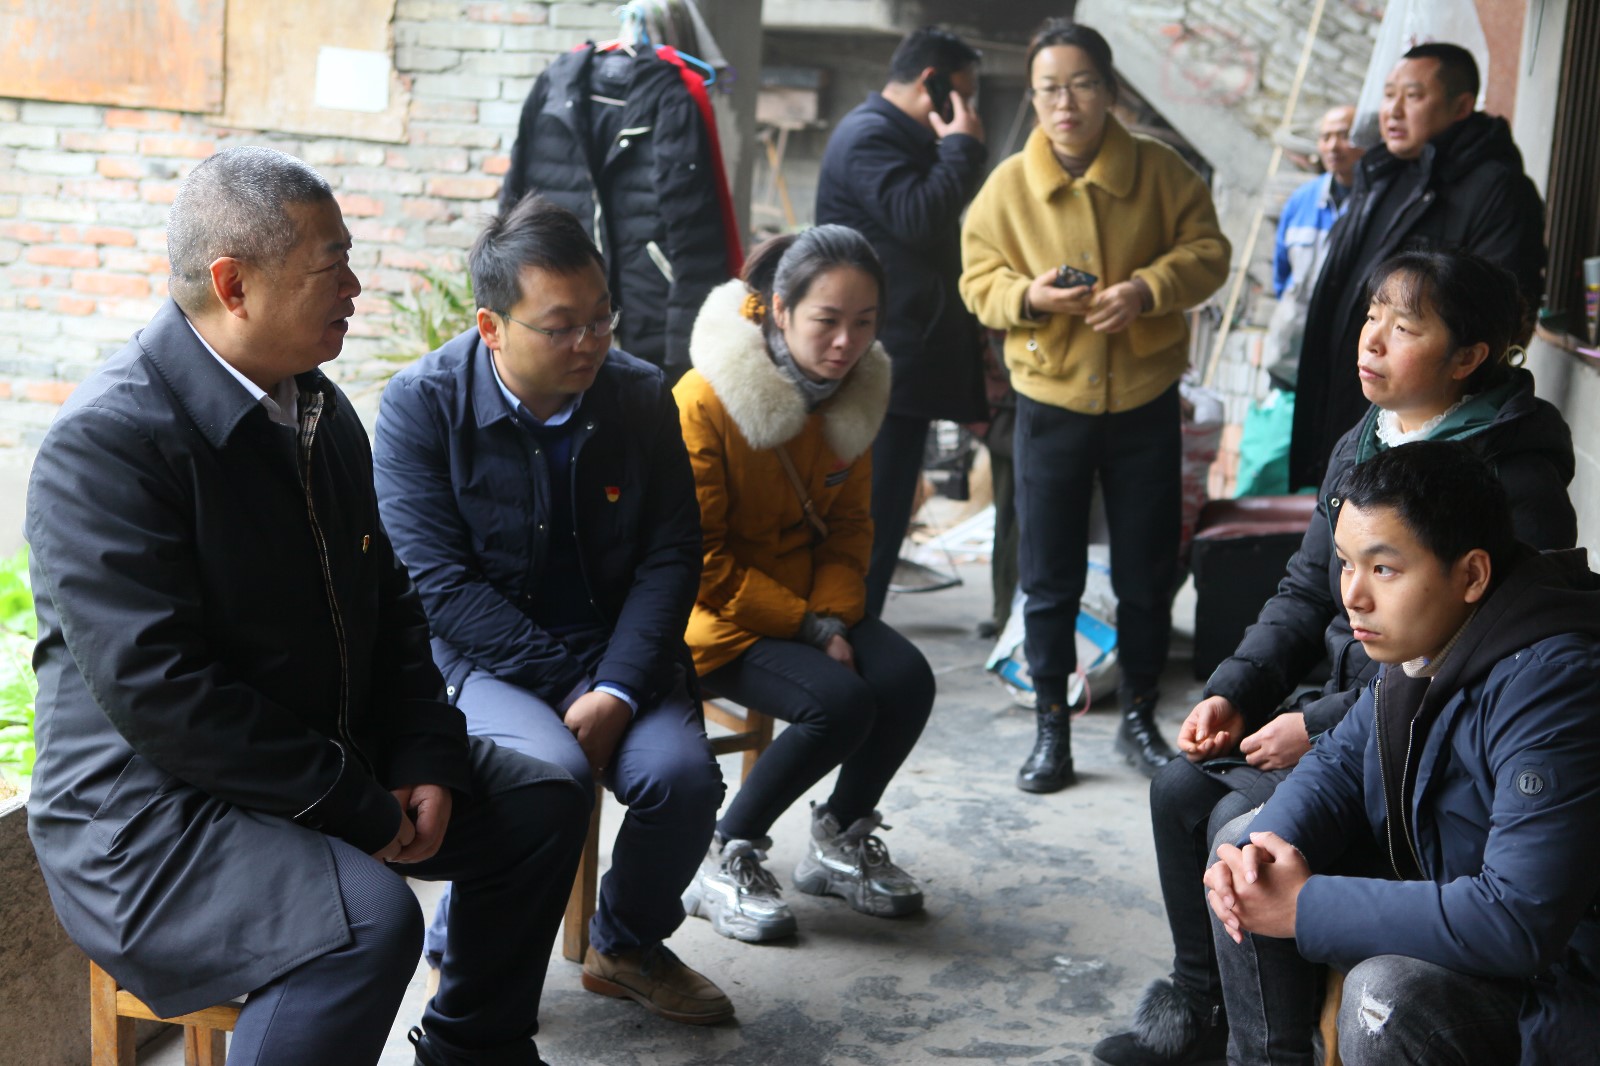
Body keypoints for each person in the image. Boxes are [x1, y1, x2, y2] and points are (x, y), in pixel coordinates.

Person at [24, 146, 589, 1066]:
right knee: (368, 920)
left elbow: (392, 605)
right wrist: (354, 804)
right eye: (333, 266)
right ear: (233, 285)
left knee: (543, 803)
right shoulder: (110, 443)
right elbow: (164, 696)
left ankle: (473, 1048)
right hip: (147, 818)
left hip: (320, 756)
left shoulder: (318, 411)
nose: (356, 288)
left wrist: (423, 753)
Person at [1092, 249, 1576, 1066]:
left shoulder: (1536, 637)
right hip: (1369, 731)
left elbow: (1516, 910)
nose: (1373, 340)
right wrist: (1238, 691)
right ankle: (1205, 1016)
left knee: (1269, 867)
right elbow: (1308, 597)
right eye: (1371, 316)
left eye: (1405, 326)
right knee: (1212, 814)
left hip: (1437, 811)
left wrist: (1311, 744)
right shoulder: (1367, 449)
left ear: (1468, 357)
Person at [372, 196, 732, 1026]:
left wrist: (619, 688)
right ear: (491, 327)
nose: (590, 343)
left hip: (620, 652)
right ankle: (472, 970)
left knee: (681, 780)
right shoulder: (422, 404)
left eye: (602, 318)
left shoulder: (639, 396)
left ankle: (626, 944)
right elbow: (438, 585)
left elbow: (672, 555)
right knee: (548, 781)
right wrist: (578, 690)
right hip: (484, 657)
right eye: (562, 326)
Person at [1204, 440, 1600, 1066]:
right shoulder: (1434, 636)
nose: (1354, 596)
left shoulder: (1555, 683)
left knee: (1383, 996)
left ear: (1471, 575)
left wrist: (1306, 907)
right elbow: (1339, 761)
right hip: (1459, 896)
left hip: (1559, 981)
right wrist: (1262, 854)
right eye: (1345, 564)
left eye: (1384, 569)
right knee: (1245, 848)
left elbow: (1519, 919)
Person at [960, 19, 1230, 789]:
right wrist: (1030, 296)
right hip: (1049, 402)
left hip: (1145, 399)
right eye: (1049, 88)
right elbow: (976, 281)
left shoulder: (1161, 170)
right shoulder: (1008, 185)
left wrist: (1147, 289)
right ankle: (1052, 726)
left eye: (1081, 84)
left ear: (1109, 91)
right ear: (1034, 95)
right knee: (1048, 577)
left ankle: (1140, 714)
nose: (1065, 102)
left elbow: (1209, 254)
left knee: (1147, 570)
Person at [674, 227, 937, 941]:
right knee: (840, 704)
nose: (846, 343)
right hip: (710, 613)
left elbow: (850, 530)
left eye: (865, 322)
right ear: (780, 310)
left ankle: (838, 837)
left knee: (908, 680)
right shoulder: (704, 399)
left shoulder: (855, 397)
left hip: (810, 603)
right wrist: (811, 629)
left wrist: (833, 619)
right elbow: (699, 558)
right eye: (827, 320)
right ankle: (723, 851)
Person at [1289, 42, 1546, 491]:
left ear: (1461, 106)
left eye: (1413, 96)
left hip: (1420, 434)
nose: (1393, 110)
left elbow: (1504, 317)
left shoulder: (1497, 189)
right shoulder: (1380, 174)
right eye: (1389, 95)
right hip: (1354, 409)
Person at [815, 25, 989, 619]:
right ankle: (850, 630)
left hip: (900, 358)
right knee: (873, 515)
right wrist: (961, 146)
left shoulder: (897, 136)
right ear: (931, 83)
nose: (970, 110)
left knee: (884, 513)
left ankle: (857, 625)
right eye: (964, 94)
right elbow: (919, 216)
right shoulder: (870, 136)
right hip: (878, 361)